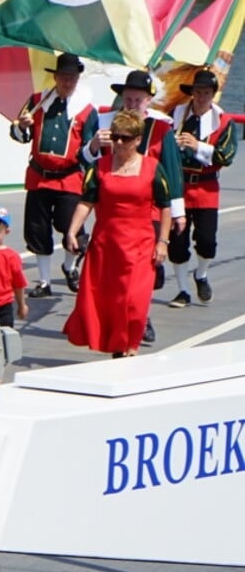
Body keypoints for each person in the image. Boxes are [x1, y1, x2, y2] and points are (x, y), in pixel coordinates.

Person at [85, 69, 187, 344]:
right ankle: (116, 317)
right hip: (113, 209)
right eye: (128, 99)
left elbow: (171, 170)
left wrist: (178, 211)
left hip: (149, 207)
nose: (132, 104)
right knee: (117, 270)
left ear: (148, 101)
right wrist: (94, 145)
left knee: (141, 272)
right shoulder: (105, 122)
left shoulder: (161, 127)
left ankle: (142, 318)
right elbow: (85, 161)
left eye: (138, 100)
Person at [64, 110, 173, 358]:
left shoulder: (153, 168)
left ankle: (131, 344)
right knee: (110, 301)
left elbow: (165, 206)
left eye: (125, 138)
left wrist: (163, 242)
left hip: (140, 243)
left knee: (134, 300)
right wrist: (72, 231)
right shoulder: (99, 167)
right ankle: (119, 347)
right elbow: (86, 202)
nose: (119, 143)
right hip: (106, 244)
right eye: (115, 137)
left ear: (137, 139)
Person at [9, 52, 99, 298]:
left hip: (69, 178)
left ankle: (69, 267)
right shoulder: (38, 101)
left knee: (70, 226)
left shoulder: (86, 111)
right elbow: (19, 134)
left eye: (72, 78)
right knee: (37, 230)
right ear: (56, 77)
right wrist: (22, 127)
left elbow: (91, 148)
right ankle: (45, 281)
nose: (67, 82)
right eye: (63, 77)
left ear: (77, 79)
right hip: (39, 177)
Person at [166, 68, 238, 306]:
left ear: (213, 94)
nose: (202, 96)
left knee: (207, 241)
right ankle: (183, 290)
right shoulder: (175, 115)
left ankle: (201, 273)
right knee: (177, 240)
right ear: (192, 93)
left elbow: (226, 156)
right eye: (198, 92)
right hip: (179, 187)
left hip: (206, 189)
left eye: (206, 92)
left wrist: (197, 146)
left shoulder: (223, 122)